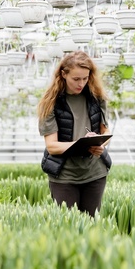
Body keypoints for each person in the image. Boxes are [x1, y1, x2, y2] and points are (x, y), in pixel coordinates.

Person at [37, 50, 112, 217]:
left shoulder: (97, 98)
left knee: (92, 226)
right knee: (67, 227)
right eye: (76, 79)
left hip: (95, 173)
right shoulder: (50, 103)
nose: (81, 83)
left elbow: (105, 131)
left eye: (85, 78)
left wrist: (99, 144)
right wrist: (82, 145)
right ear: (63, 74)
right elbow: (52, 146)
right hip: (64, 176)